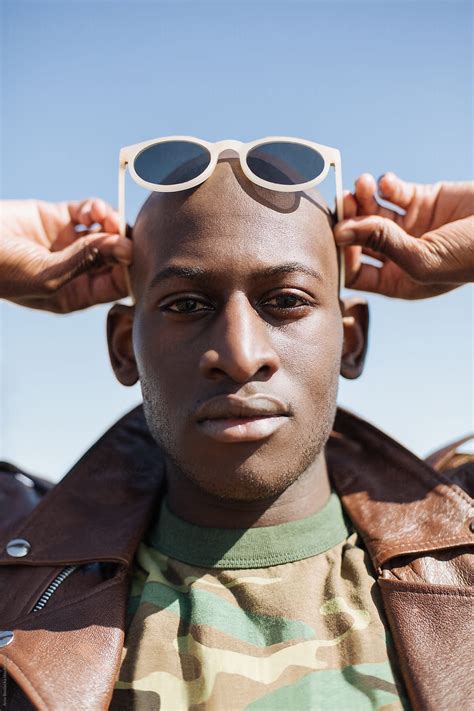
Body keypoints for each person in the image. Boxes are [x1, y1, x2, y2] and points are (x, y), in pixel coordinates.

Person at [0, 164, 472, 711]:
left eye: (286, 300)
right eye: (186, 305)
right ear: (125, 348)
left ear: (351, 342)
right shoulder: (16, 564)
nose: (240, 356)